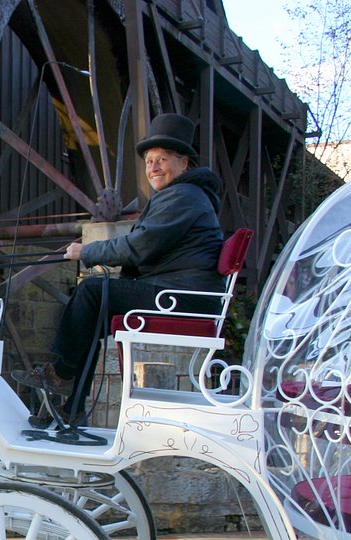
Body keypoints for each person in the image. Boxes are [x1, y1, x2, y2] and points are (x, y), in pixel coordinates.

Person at [13, 112, 225, 424]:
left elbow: (140, 246)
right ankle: (73, 407)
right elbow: (145, 246)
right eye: (150, 160)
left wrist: (87, 251)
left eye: (162, 159)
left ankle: (62, 374)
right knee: (96, 305)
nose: (153, 168)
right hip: (181, 292)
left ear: (184, 163)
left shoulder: (184, 196)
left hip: (183, 298)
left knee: (92, 290)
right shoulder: (183, 195)